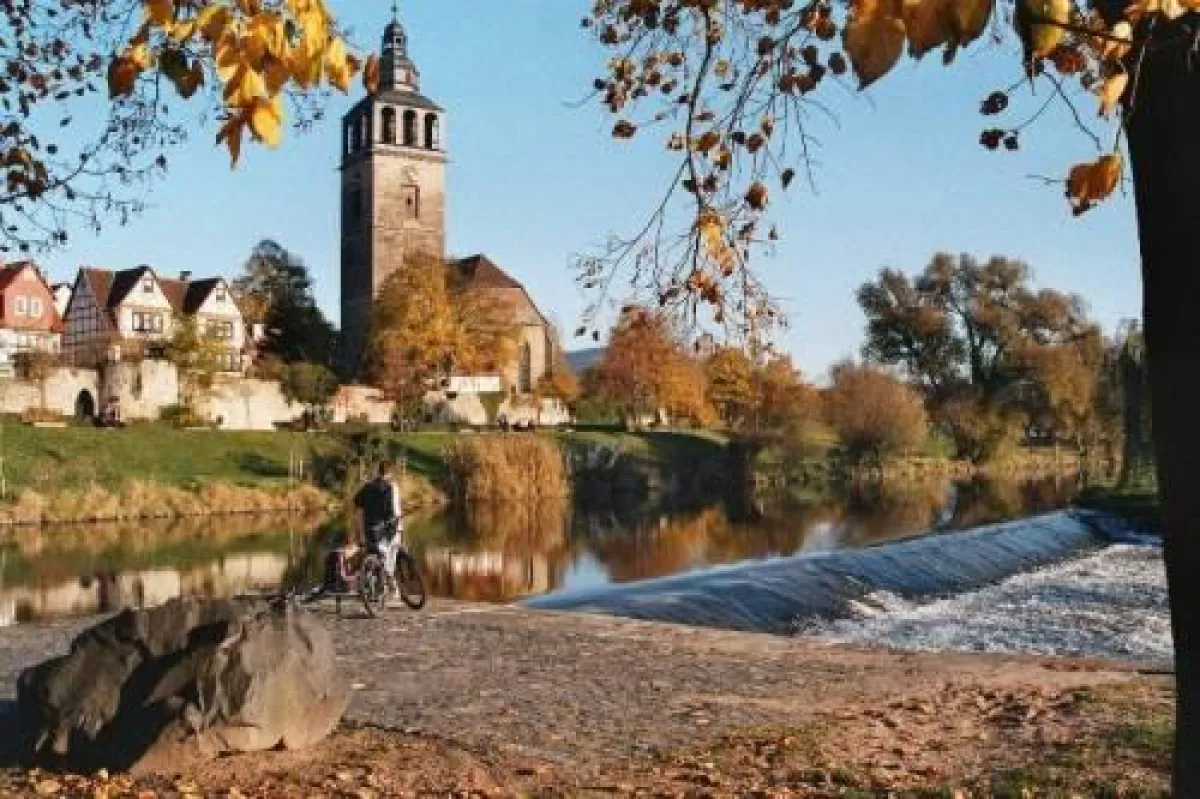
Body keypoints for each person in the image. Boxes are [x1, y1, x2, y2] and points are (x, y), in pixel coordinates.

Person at [353, 461, 403, 594]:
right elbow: (393, 512)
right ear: (390, 473)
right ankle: (388, 585)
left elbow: (357, 507)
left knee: (375, 555)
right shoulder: (391, 487)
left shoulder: (367, 487)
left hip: (370, 529)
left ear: (378, 472)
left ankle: (375, 585)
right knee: (390, 555)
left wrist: (359, 531)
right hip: (387, 530)